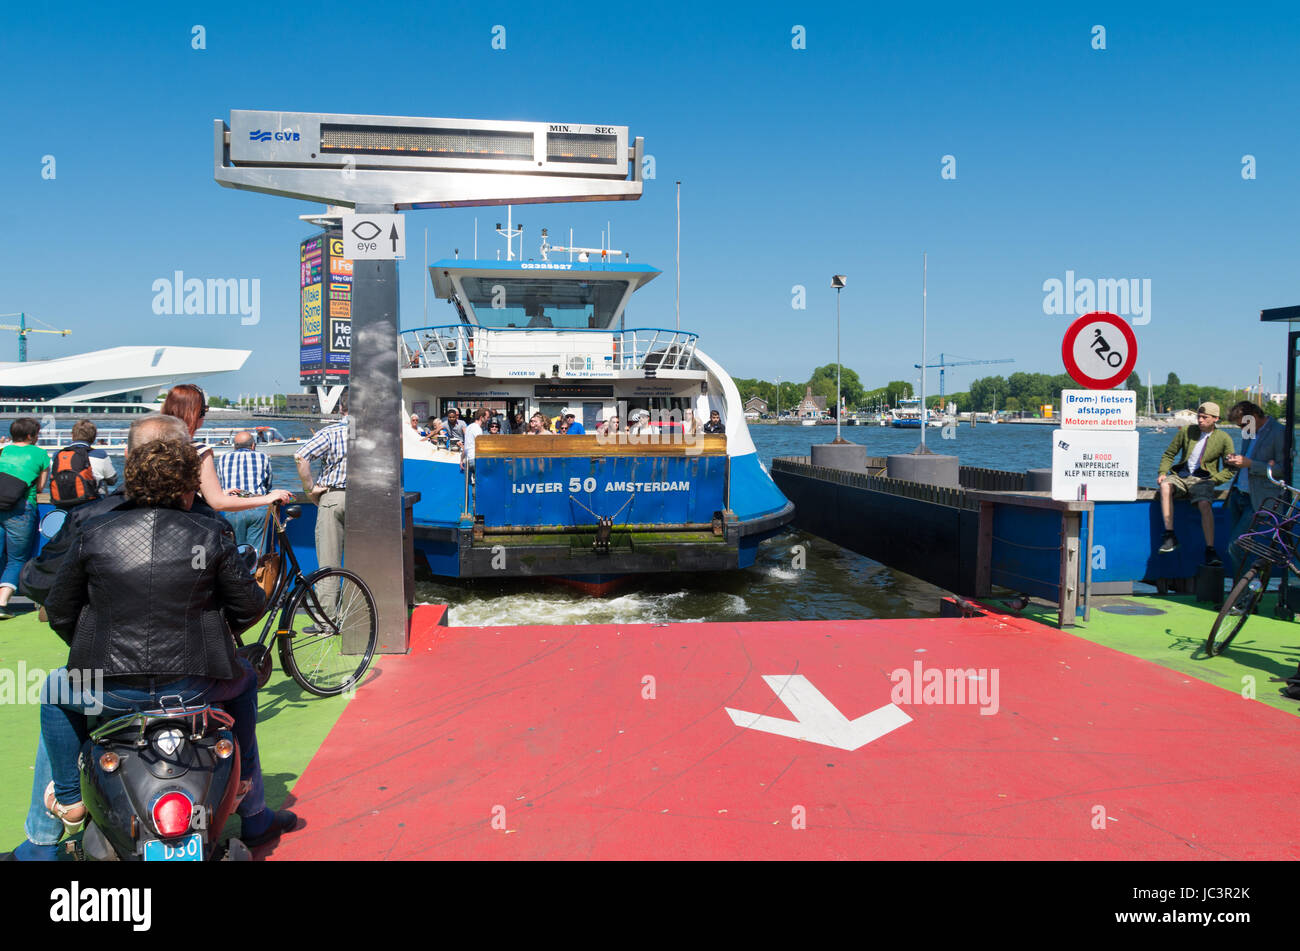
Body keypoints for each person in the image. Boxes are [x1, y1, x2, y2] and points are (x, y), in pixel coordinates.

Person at [38, 439, 296, 851]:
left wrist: (91, 648)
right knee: (245, 680)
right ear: (188, 485)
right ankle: (245, 789)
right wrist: (217, 628)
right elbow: (250, 605)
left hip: (110, 689)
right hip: (194, 686)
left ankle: (70, 800)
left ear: (132, 481)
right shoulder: (211, 531)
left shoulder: (93, 531)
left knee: (53, 692)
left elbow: (60, 609)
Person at [4, 415, 189, 861]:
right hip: (191, 677)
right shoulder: (206, 522)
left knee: (60, 696)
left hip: (107, 674)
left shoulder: (89, 519)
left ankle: (47, 837)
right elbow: (239, 605)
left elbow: (45, 587)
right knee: (239, 689)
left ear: (128, 458)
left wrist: (84, 638)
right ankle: (252, 805)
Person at [160, 384, 291, 516]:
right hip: (181, 526)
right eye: (203, 411)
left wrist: (218, 494)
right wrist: (267, 498)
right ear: (195, 414)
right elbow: (218, 503)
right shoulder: (198, 451)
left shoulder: (153, 445)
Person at [1156, 401, 1235, 565]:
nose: (1200, 420)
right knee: (1165, 486)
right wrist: (1163, 472)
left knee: (1205, 504)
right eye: (1198, 416)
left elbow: (1231, 469)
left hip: (1204, 479)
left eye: (1204, 417)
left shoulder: (1224, 438)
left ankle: (1210, 549)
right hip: (1181, 475)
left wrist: (1214, 480)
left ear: (1215, 419)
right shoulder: (1186, 431)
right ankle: (1169, 535)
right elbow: (1169, 454)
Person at [295, 393, 348, 616]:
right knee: (367, 558)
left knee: (329, 562)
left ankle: (326, 620)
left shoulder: (332, 432)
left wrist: (310, 490)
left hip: (334, 497)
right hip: (368, 500)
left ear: (341, 408)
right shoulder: (374, 434)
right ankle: (362, 616)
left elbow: (300, 457)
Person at [1224, 401, 1285, 570]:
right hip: (1239, 495)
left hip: (1260, 500)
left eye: (1244, 424)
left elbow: (1283, 470)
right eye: (1239, 426)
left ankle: (1249, 589)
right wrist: (1235, 460)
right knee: (1240, 548)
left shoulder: (1279, 432)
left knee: (1235, 546)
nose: (1242, 428)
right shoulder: (1249, 430)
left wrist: (1251, 464)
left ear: (1256, 416)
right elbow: (1248, 458)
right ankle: (1242, 591)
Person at [0, 418, 50, 620]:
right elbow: (40, 487)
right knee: (17, 559)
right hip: (22, 508)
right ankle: (2, 602)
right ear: (31, 436)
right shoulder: (40, 454)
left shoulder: (4, 451)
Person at [217, 430, 274, 550]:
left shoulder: (223, 458)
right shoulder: (263, 457)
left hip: (233, 506)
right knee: (256, 552)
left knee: (236, 550)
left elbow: (221, 484)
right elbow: (268, 483)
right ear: (253, 445)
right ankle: (255, 569)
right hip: (258, 505)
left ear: (234, 446)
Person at [49, 420, 116, 507]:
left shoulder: (57, 455)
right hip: (91, 504)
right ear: (94, 437)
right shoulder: (100, 455)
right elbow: (112, 480)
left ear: (72, 435)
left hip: (62, 503)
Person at [462, 407, 489, 482]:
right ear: (481, 417)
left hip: (469, 459)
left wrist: (461, 459)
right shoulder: (478, 429)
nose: (488, 419)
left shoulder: (469, 427)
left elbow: (466, 445)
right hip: (476, 459)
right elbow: (481, 446)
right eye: (487, 417)